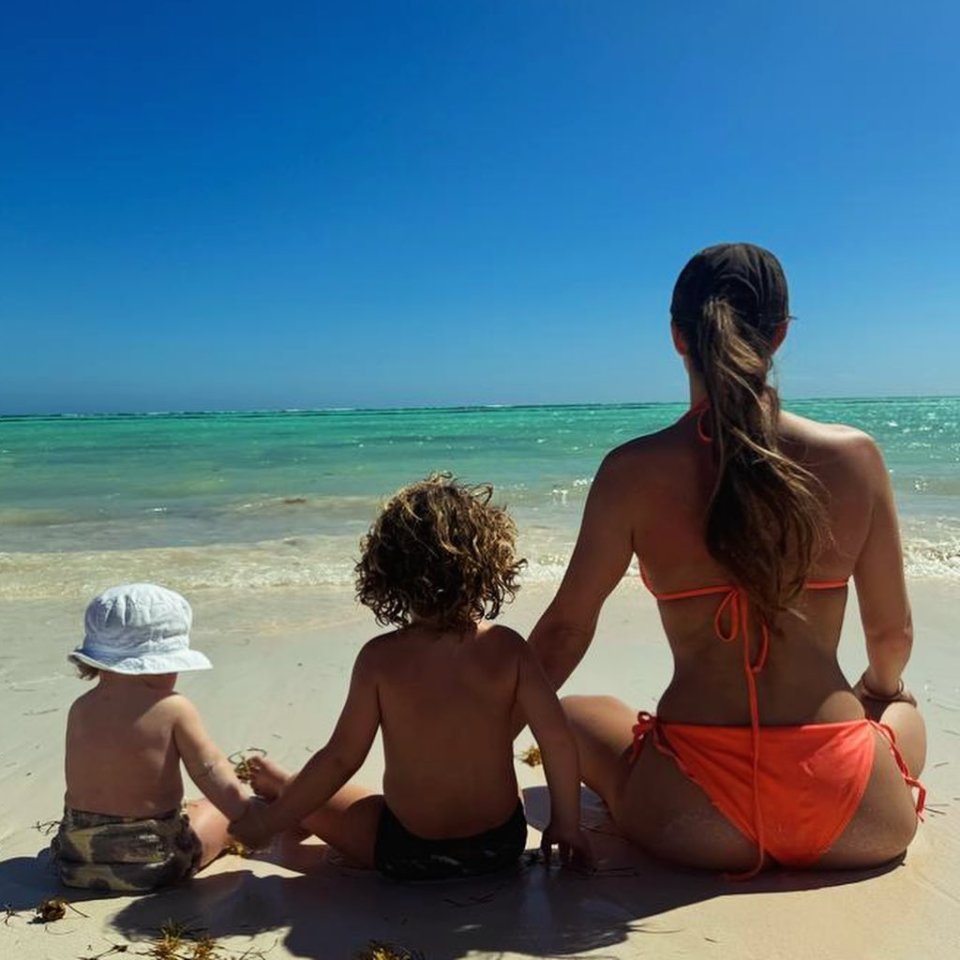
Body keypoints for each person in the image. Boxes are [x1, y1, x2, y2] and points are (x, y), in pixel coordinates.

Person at [527, 243, 926, 877]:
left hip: (693, 812)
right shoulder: (855, 457)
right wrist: (878, 690)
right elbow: (891, 636)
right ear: (780, 333)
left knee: (574, 714)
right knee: (898, 707)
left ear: (679, 338)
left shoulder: (633, 472)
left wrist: (482, 734)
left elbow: (566, 631)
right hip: (854, 812)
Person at [231, 474, 591, 879]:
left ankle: (280, 786)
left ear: (385, 571)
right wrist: (567, 824)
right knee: (352, 802)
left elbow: (341, 758)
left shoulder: (380, 660)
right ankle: (281, 784)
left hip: (407, 852)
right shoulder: (510, 649)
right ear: (489, 563)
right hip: (500, 846)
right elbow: (557, 739)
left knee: (323, 803)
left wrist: (269, 824)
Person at [52, 583, 250, 892]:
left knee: (189, 809)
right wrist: (248, 815)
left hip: (76, 859)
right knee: (213, 813)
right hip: (154, 862)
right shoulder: (172, 707)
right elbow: (209, 769)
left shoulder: (80, 708)